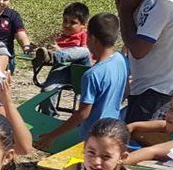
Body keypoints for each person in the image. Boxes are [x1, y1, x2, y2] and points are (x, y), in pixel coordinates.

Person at [34, 14, 129, 152]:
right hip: (113, 130)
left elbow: (82, 114)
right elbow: (126, 91)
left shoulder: (92, 74)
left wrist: (52, 135)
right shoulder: (121, 60)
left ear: (92, 38)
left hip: (93, 136)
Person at [33, 2, 92, 75]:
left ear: (83, 25)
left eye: (73, 23)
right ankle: (53, 57)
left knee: (84, 51)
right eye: (65, 20)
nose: (67, 25)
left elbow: (85, 54)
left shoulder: (84, 35)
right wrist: (37, 48)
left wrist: (59, 51)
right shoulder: (59, 35)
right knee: (49, 87)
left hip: (80, 70)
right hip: (61, 68)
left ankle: (55, 56)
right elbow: (45, 47)